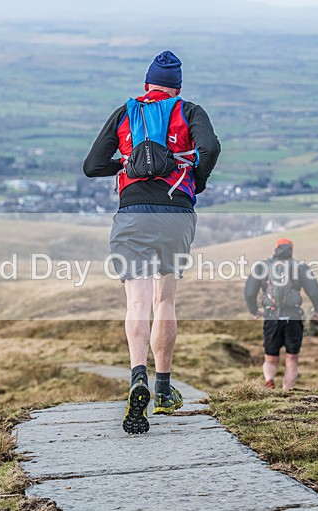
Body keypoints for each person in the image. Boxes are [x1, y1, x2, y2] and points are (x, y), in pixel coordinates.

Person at [83, 50, 221, 434]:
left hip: (132, 214)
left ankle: (137, 376)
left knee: (137, 303)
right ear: (177, 88)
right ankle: (162, 388)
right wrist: (197, 180)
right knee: (165, 301)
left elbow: (92, 165)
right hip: (176, 213)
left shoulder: (125, 113)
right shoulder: (189, 111)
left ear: (147, 84)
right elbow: (210, 149)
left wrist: (127, 164)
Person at [244, 238, 318, 391]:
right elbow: (314, 291)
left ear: (275, 249)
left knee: (270, 358)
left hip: (271, 317)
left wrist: (254, 310)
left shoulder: (262, 266)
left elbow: (249, 292)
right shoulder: (300, 267)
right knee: (292, 359)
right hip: (293, 318)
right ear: (291, 250)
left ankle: (269, 382)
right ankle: (286, 391)